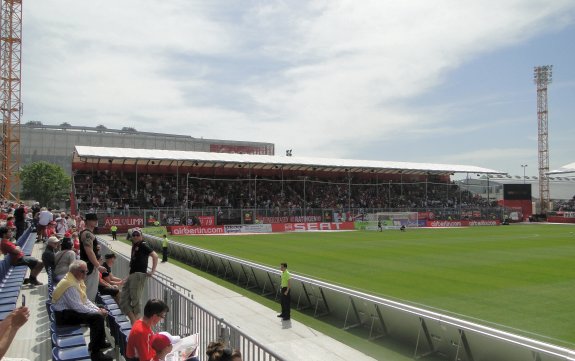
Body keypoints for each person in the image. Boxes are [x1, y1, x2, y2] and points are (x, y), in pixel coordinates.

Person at [51, 260, 112, 361]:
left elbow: (85, 300)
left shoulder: (75, 280)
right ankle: (95, 353)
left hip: (69, 311)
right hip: (63, 316)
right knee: (97, 318)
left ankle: (100, 342)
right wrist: (98, 312)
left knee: (100, 309)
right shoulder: (69, 284)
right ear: (74, 271)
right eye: (82, 271)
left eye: (86, 271)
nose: (85, 274)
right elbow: (78, 307)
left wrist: (98, 309)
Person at [120, 228, 158, 324]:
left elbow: (155, 256)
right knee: (123, 300)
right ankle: (135, 322)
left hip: (138, 275)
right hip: (132, 275)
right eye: (134, 235)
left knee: (136, 301)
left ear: (141, 236)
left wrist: (152, 271)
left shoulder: (143, 244)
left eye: (138, 235)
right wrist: (129, 276)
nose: (136, 236)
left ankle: (136, 325)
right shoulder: (135, 245)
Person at [79, 213, 107, 301]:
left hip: (89, 266)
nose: (95, 222)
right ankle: (88, 313)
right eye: (93, 220)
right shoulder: (87, 234)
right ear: (87, 221)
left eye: (96, 220)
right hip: (89, 267)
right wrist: (98, 266)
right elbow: (89, 251)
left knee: (91, 292)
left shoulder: (89, 233)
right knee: (89, 294)